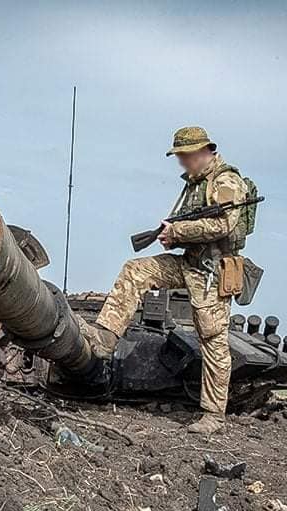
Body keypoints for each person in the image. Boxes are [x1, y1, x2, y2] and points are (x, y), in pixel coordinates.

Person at [83, 126, 254, 434]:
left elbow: (224, 225)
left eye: (185, 156)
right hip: (189, 263)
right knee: (135, 270)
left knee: (212, 339)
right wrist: (172, 239)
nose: (181, 163)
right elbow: (195, 229)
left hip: (213, 273)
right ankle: (105, 337)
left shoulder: (227, 181)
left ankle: (213, 415)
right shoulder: (194, 184)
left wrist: (179, 232)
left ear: (203, 152)